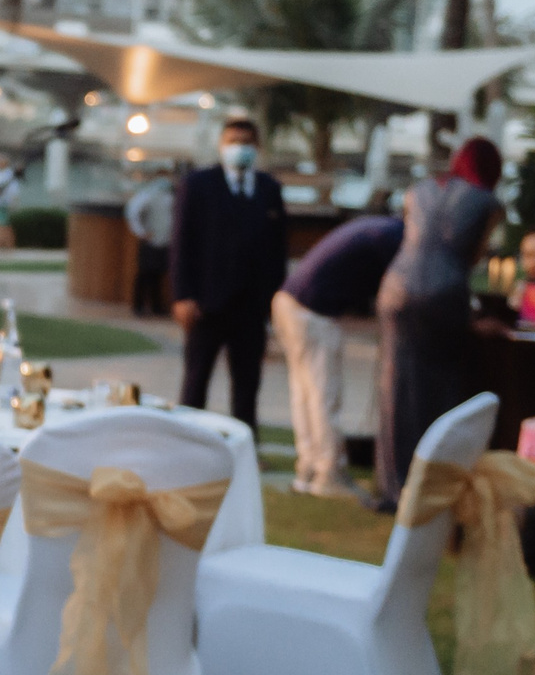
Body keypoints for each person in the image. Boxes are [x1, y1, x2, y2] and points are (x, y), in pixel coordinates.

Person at [375, 138, 504, 509]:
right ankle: (432, 480)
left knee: (395, 387)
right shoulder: (488, 202)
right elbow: (473, 256)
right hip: (444, 292)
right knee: (441, 390)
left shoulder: (419, 190)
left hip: (396, 288)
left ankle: (393, 486)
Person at [169, 115, 288, 428]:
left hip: (251, 307)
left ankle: (246, 444)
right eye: (233, 142)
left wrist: (275, 302)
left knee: (247, 387)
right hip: (206, 304)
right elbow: (182, 243)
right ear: (221, 145)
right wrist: (182, 295)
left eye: (246, 143)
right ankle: (187, 442)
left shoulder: (268, 188)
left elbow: (277, 250)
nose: (239, 148)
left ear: (257, 147)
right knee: (196, 382)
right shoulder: (198, 185)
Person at [273, 213, 402, 498]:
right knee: (323, 394)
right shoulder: (394, 237)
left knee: (305, 394)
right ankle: (328, 473)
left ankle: (308, 468)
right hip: (311, 310)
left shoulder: (381, 228)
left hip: (289, 300)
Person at [123, 172, 174, 317]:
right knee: (145, 274)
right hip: (150, 241)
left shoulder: (170, 196)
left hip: (164, 241)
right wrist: (141, 231)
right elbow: (133, 212)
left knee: (158, 275)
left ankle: (156, 306)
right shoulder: (147, 195)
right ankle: (138, 306)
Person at [0, 151, 23, 248]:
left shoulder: (9, 174)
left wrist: (13, 201)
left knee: (2, 223)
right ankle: (3, 244)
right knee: (3, 223)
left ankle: (1, 244)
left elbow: (14, 189)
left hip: (6, 201)